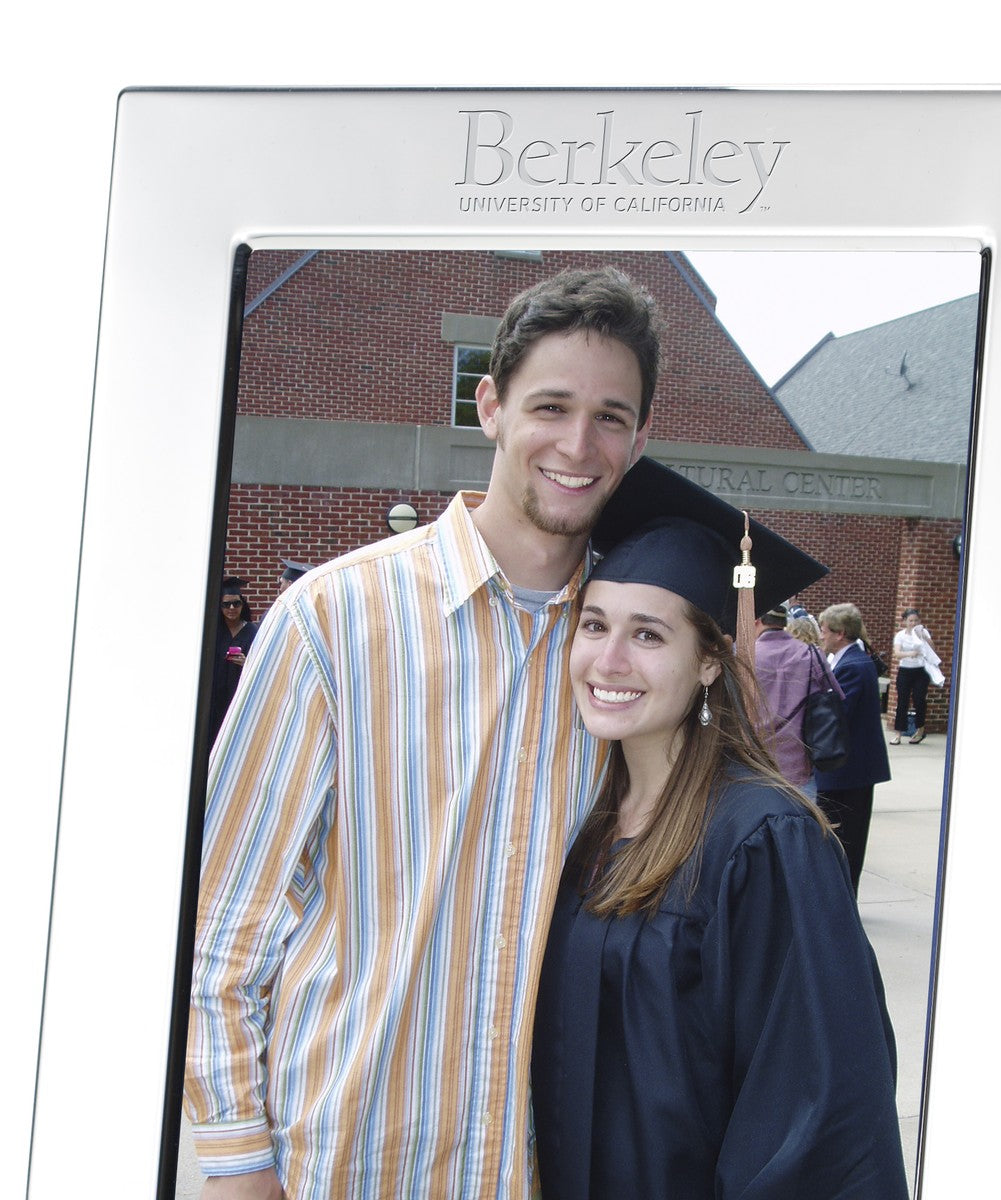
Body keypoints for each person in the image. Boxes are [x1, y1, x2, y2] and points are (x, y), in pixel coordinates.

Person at [185, 267, 662, 1200]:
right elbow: (224, 921)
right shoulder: (334, 619)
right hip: (354, 1159)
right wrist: (238, 1161)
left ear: (640, 439)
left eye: (610, 417)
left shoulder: (629, 660)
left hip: (540, 1166)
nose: (578, 444)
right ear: (490, 407)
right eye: (551, 406)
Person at [531, 505, 907, 1200]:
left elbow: (818, 1115)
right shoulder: (580, 821)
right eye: (595, 625)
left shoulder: (765, 842)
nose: (608, 660)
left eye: (648, 634)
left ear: (710, 660)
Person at [814, 603, 892, 896]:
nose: (821, 636)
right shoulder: (851, 661)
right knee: (843, 839)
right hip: (850, 770)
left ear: (840, 633)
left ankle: (843, 899)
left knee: (844, 840)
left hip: (848, 771)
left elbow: (837, 715)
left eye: (824, 630)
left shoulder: (853, 666)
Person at [753, 602, 841, 798]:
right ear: (785, 622)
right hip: (799, 767)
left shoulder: (745, 656)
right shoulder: (810, 653)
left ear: (758, 621)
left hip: (757, 766)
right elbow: (836, 695)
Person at [207, 577, 257, 749]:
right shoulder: (212, 631)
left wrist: (247, 663)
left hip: (240, 697)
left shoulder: (252, 631)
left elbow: (261, 665)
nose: (231, 608)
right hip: (214, 699)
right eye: (226, 604)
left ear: (243, 605)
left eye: (236, 603)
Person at [890, 607, 938, 745]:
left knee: (919, 700)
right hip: (905, 670)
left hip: (921, 671)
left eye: (916, 620)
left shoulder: (923, 633)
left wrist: (925, 637)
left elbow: (932, 649)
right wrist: (911, 654)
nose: (913, 623)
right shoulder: (900, 635)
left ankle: (920, 730)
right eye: (910, 620)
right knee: (902, 701)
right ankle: (898, 733)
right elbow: (897, 653)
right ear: (905, 621)